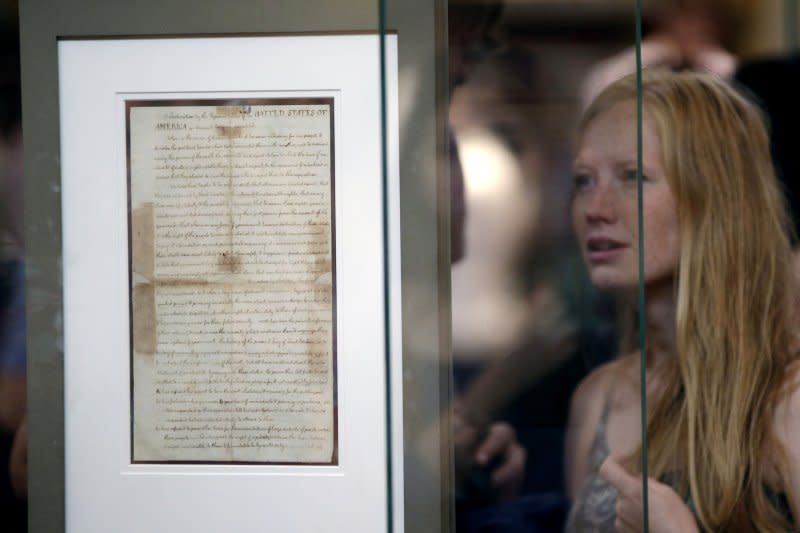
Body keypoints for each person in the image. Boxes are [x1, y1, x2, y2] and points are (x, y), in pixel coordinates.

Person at [564, 69, 800, 532]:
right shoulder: (598, 399)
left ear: (714, 197)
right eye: (584, 181)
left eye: (633, 177)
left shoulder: (788, 400)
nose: (596, 208)